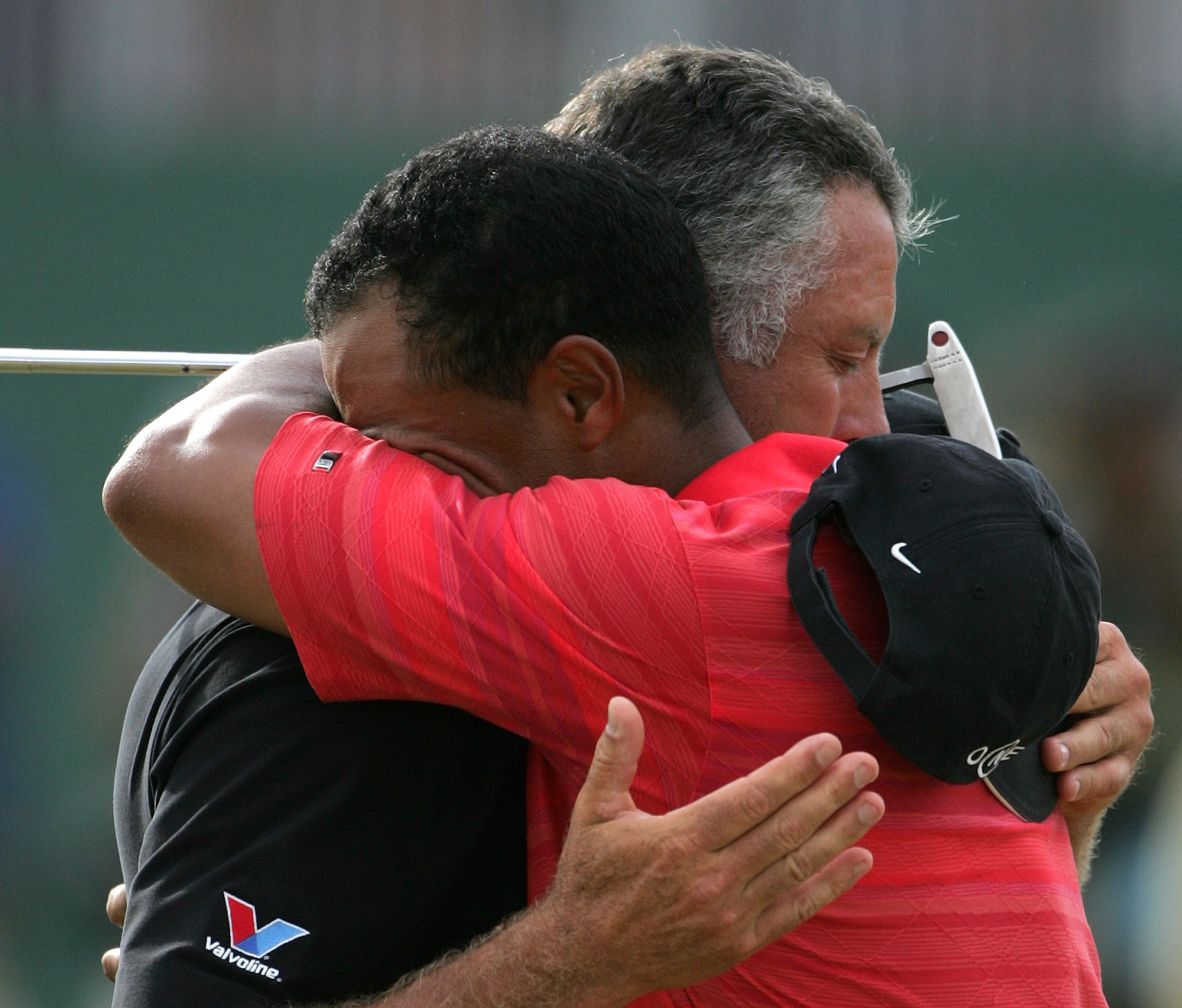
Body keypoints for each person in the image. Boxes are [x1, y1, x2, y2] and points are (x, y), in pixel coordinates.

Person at [103, 42, 1151, 1004]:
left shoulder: (658, 579)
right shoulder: (962, 565)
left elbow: (170, 470)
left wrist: (577, 958)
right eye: (841, 356)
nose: (871, 424)